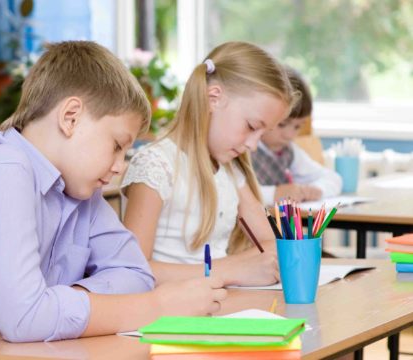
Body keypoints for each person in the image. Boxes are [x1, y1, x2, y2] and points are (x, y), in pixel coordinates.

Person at [0, 41, 227, 360]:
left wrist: (52, 305)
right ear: (70, 117)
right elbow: (26, 318)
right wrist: (156, 307)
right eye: (117, 146)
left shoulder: (80, 192)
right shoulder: (2, 171)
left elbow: (136, 273)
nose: (120, 166)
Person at [122, 41, 297, 287]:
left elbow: (271, 245)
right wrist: (228, 270)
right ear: (214, 98)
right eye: (251, 127)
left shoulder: (230, 170)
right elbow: (132, 271)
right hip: (170, 314)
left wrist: (249, 265)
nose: (253, 145)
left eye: (262, 134)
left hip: (218, 305)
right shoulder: (156, 166)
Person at [251, 67, 342, 205]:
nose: (289, 135)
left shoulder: (290, 151)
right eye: (282, 125)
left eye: (297, 126)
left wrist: (317, 189)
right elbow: (232, 194)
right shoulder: (243, 148)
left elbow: (333, 178)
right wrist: (274, 194)